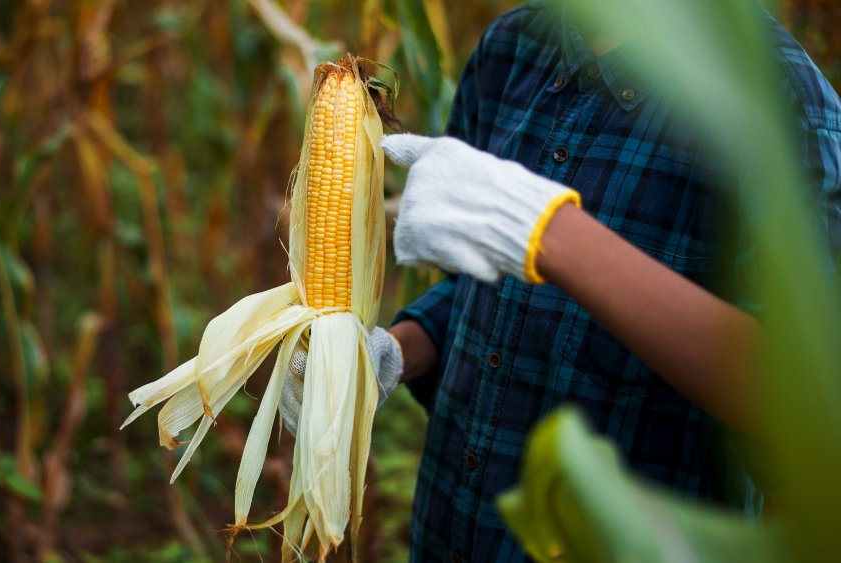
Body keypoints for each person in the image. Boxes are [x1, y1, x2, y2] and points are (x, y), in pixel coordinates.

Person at [283, 0, 841, 560]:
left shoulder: (780, 109)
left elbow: (806, 405)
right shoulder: (512, 47)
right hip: (449, 533)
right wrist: (393, 354)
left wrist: (552, 233)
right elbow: (481, 288)